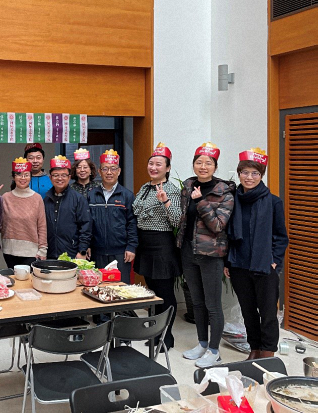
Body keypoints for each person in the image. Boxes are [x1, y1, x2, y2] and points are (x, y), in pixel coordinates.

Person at [225, 148, 288, 360]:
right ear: (239, 174)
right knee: (248, 310)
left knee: (268, 312)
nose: (249, 177)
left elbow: (281, 236)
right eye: (245, 172)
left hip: (264, 266)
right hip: (239, 264)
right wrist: (227, 262)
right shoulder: (233, 200)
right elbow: (227, 234)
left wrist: (274, 261)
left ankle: (267, 352)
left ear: (261, 175)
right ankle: (254, 348)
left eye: (255, 173)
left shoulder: (273, 202)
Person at [176, 143, 235, 367]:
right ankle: (202, 344)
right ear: (193, 165)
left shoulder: (224, 192)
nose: (203, 166)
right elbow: (184, 219)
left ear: (215, 167)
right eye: (199, 162)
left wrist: (200, 201)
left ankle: (214, 350)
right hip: (189, 252)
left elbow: (218, 226)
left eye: (208, 163)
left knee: (213, 305)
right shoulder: (188, 186)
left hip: (211, 254)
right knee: (197, 303)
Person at [132, 143, 181, 350]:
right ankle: (155, 333)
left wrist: (165, 201)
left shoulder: (171, 190)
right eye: (151, 163)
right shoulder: (144, 188)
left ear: (167, 168)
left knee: (165, 294)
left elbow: (177, 220)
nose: (153, 167)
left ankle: (166, 336)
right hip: (145, 244)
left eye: (159, 164)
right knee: (152, 293)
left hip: (162, 245)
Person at [88, 150, 137, 284]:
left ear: (119, 171)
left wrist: (131, 247)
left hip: (121, 253)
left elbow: (132, 223)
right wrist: (86, 245)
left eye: (113, 168)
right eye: (105, 169)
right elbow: (87, 223)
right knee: (98, 288)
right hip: (97, 253)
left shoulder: (127, 195)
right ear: (99, 171)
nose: (109, 172)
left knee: (121, 289)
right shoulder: (91, 195)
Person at [1, 158, 48, 268]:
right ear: (14, 177)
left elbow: (42, 225)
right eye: (19, 175)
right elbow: (0, 223)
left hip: (31, 252)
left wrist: (43, 249)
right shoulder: (5, 198)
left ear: (31, 177)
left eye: (26, 175)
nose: (23, 178)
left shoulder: (37, 198)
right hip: (9, 250)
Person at [43, 155, 91, 260]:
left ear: (69, 177)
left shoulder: (78, 199)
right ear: (50, 177)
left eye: (63, 175)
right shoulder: (46, 199)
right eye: (56, 175)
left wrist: (82, 250)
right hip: (49, 254)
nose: (60, 178)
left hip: (72, 254)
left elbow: (86, 226)